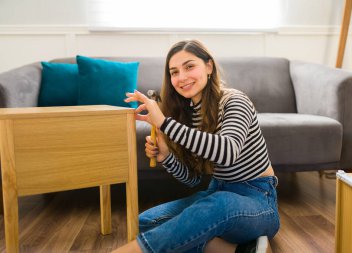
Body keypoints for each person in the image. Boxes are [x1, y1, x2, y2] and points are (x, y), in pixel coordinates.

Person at [113, 40, 279, 253]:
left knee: (216, 206)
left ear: (208, 66)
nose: (181, 77)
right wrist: (166, 157)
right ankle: (240, 249)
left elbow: (227, 152)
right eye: (174, 72)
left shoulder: (235, 100)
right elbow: (192, 179)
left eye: (189, 66)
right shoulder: (188, 114)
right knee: (146, 222)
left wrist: (164, 123)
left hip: (257, 199)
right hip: (216, 191)